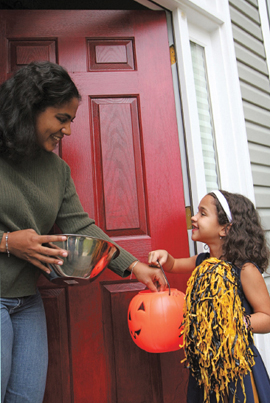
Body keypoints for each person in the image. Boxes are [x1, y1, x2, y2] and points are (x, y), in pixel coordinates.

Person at [0, 61, 166, 403]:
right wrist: (6, 242)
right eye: (62, 119)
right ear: (30, 107)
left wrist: (135, 268)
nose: (68, 131)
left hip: (26, 301)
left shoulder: (58, 171)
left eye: (71, 121)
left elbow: (81, 226)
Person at [148, 190, 270, 403]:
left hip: (237, 366)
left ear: (225, 228)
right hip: (205, 368)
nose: (193, 218)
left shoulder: (245, 269)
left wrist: (235, 322)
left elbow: (267, 317)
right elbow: (175, 264)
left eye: (202, 214)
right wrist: (165, 257)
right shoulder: (201, 261)